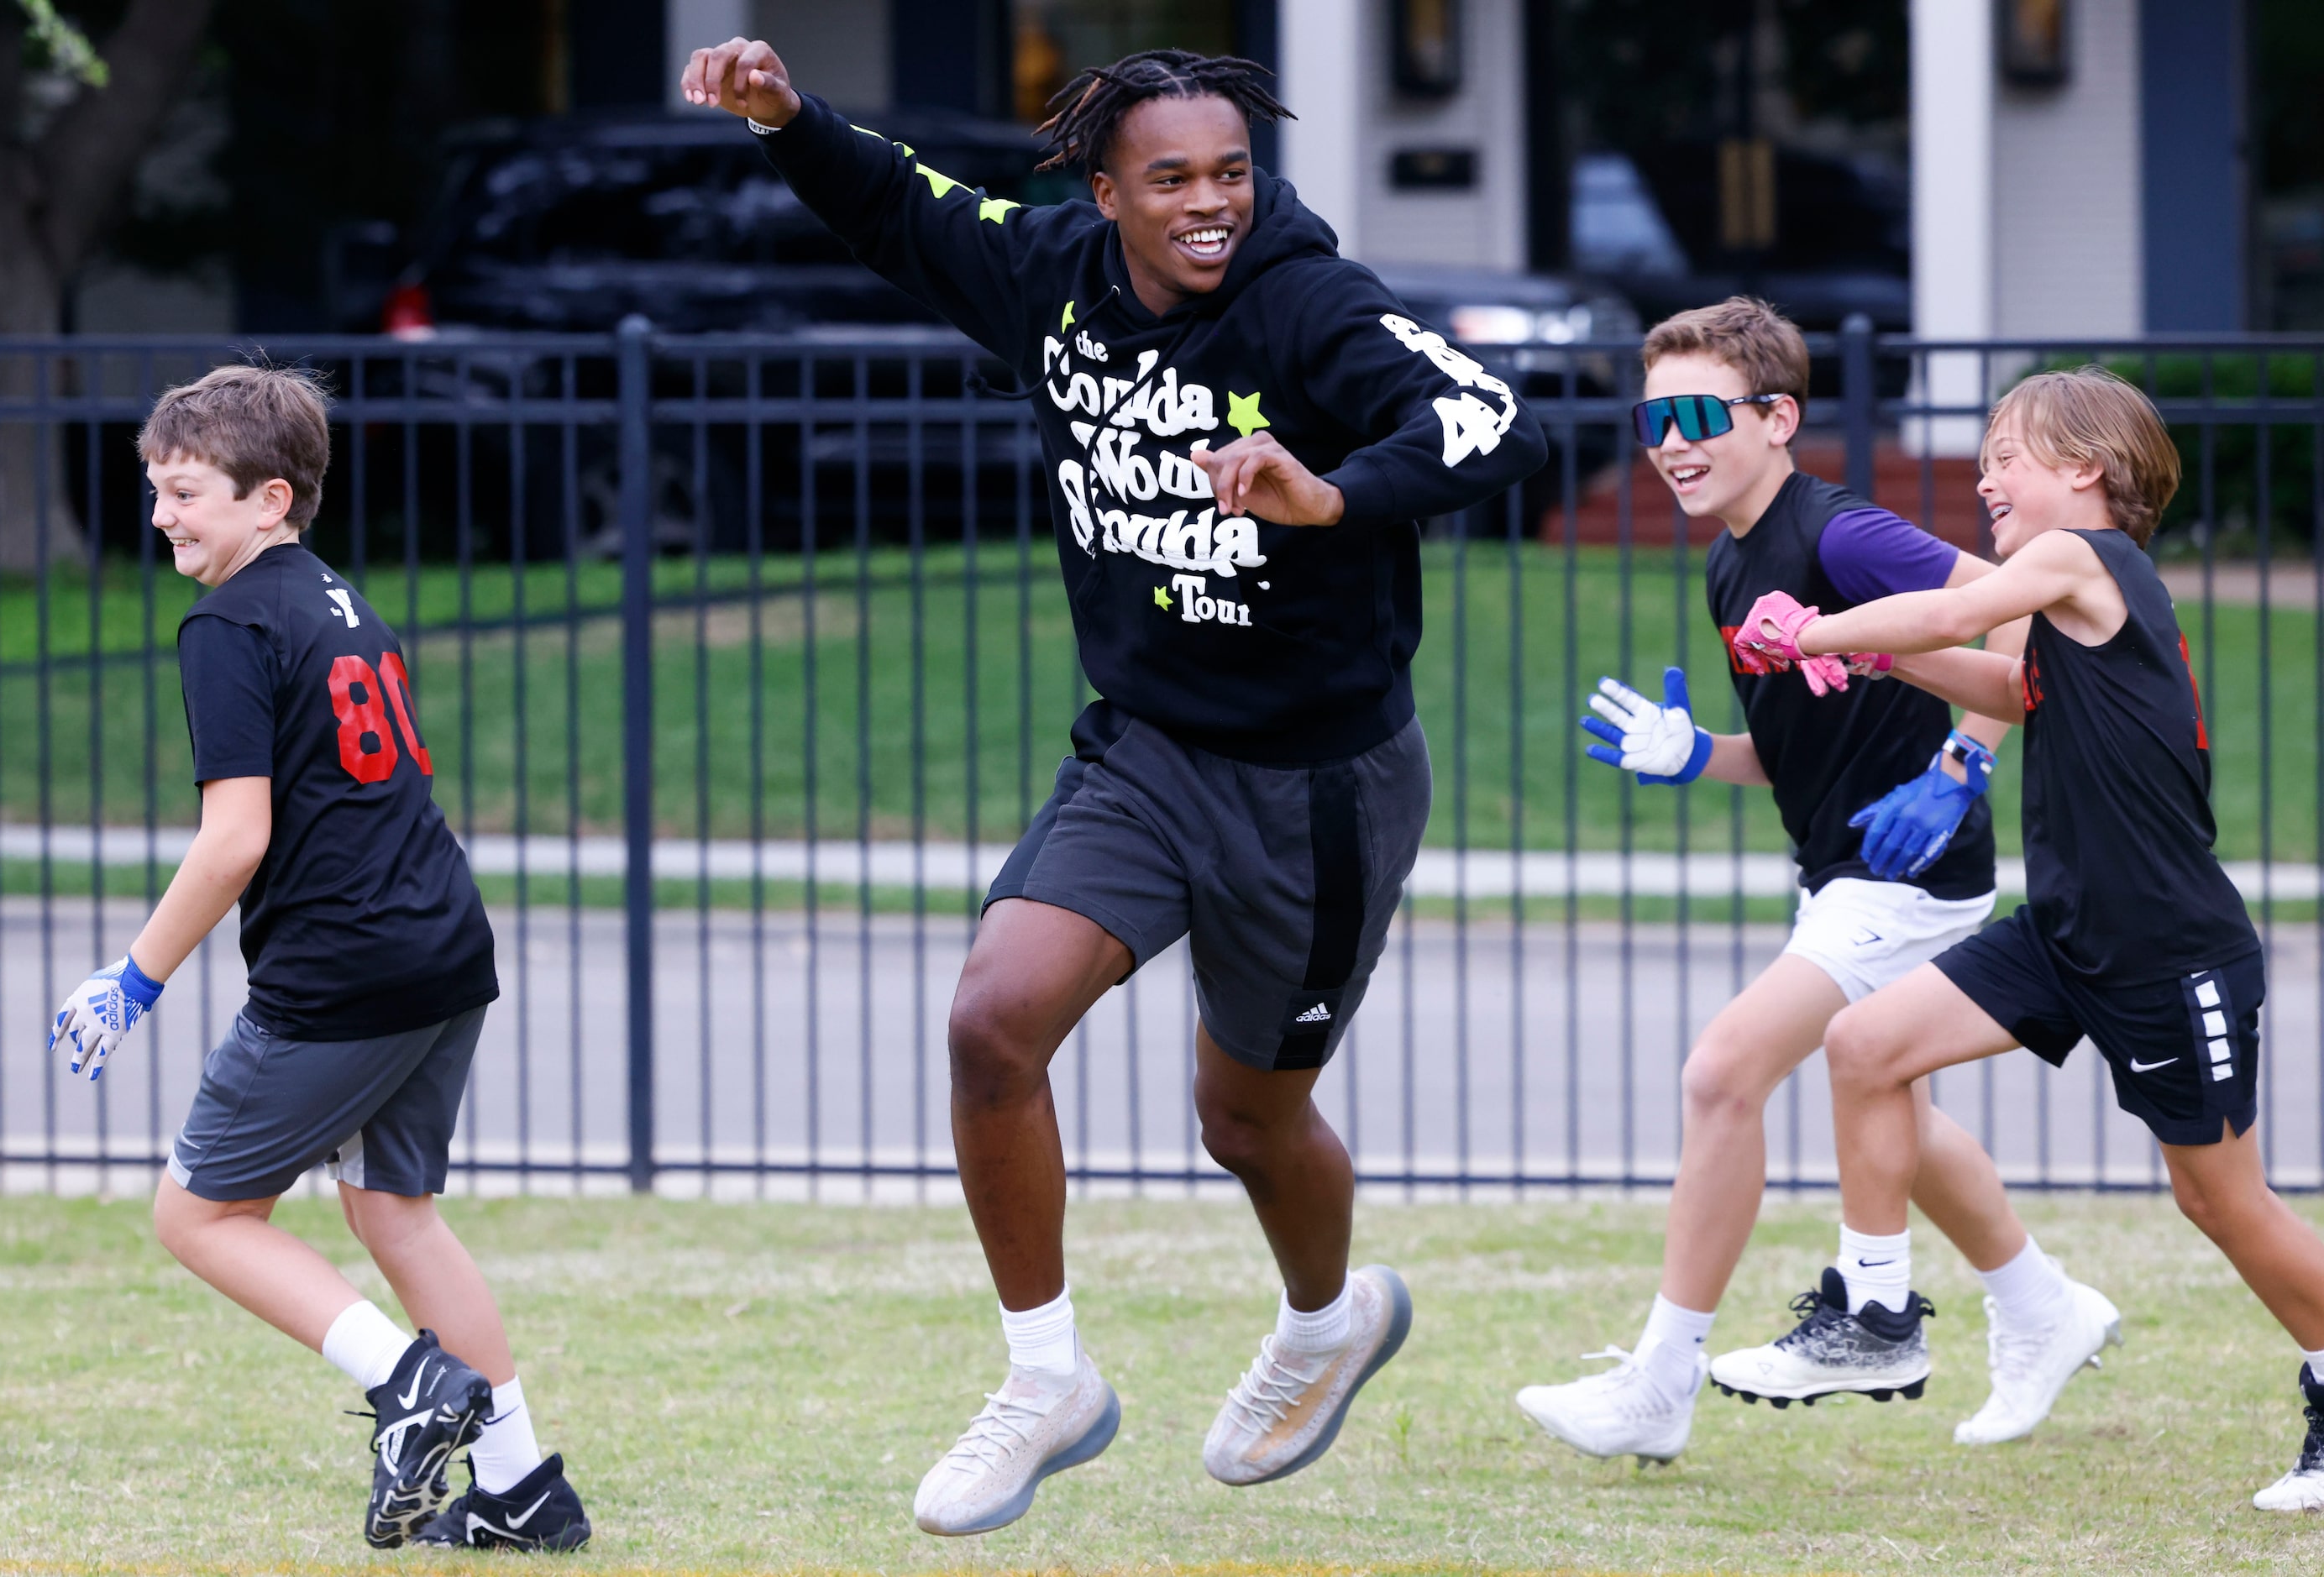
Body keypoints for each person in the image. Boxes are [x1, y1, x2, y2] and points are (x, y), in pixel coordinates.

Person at [681, 36, 1545, 1535]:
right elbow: (904, 206)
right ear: (1106, 191)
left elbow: (1485, 420)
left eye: (1231, 173)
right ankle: (1045, 1380)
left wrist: (1332, 494)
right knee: (991, 1018)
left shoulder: (1310, 307)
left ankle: (1327, 1320)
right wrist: (784, 116)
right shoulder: (1055, 275)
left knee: (1248, 1123)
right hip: (1146, 752)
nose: (1210, 202)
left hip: (1318, 785)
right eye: (1172, 179)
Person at [1515, 301, 2117, 1465]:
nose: (1669, 443)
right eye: (1652, 420)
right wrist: (1698, 756)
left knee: (1722, 1071)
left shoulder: (1841, 535)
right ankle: (2047, 1308)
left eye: (1695, 415)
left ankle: (1663, 1378)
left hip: (1909, 873)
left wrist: (1957, 764)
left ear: (1779, 417)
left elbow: (2017, 645)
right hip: (1840, 872)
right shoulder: (1733, 559)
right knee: (1904, 1121)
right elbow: (1794, 747)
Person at [1738, 365, 2324, 1510]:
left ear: (2085, 471)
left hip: (2169, 947)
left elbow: (1959, 612)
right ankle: (1875, 1312)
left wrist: (1814, 621)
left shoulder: (2085, 558)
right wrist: (1866, 653)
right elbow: (2005, 683)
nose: (1985, 474)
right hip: (2064, 931)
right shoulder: (2073, 611)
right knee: (1865, 1046)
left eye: (2007, 453)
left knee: (2221, 1201)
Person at [46, 364, 589, 1552]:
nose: (161, 515)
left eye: (185, 491)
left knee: (199, 1215)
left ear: (270, 500)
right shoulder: (335, 599)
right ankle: (521, 1489)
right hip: (444, 950)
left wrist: (132, 977)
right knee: (394, 1210)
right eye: (155, 487)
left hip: (346, 973)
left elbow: (235, 838)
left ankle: (412, 1383)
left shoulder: (229, 621)